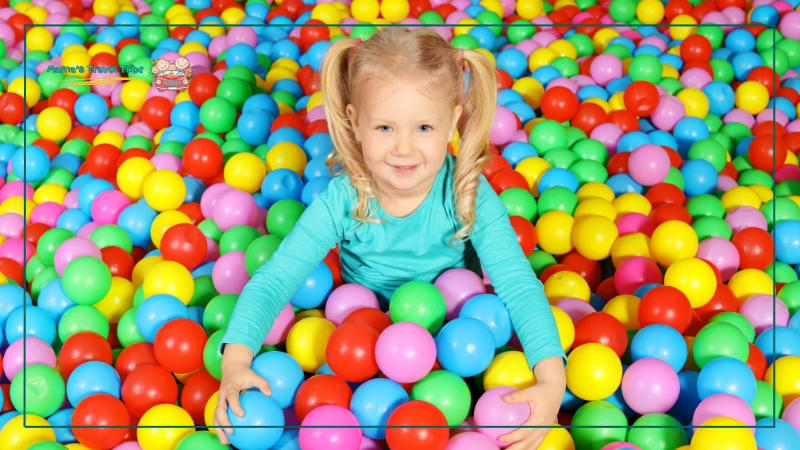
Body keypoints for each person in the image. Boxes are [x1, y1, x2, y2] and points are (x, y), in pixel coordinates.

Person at [214, 26, 567, 450]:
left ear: (452, 121)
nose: (404, 149)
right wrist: (235, 363)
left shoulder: (467, 191)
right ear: (355, 123)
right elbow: (276, 277)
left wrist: (550, 379)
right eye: (384, 127)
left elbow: (516, 281)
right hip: (358, 336)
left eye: (423, 127)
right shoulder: (345, 198)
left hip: (457, 334)